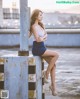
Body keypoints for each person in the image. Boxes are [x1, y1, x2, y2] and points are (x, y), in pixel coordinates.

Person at [29, 9, 59, 96]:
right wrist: (43, 38)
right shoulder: (33, 27)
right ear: (35, 16)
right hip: (37, 48)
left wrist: (43, 38)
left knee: (53, 65)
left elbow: (45, 37)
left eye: (42, 15)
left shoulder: (41, 26)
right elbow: (38, 39)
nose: (42, 16)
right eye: (40, 15)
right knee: (56, 55)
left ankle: (53, 87)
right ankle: (46, 73)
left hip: (42, 47)